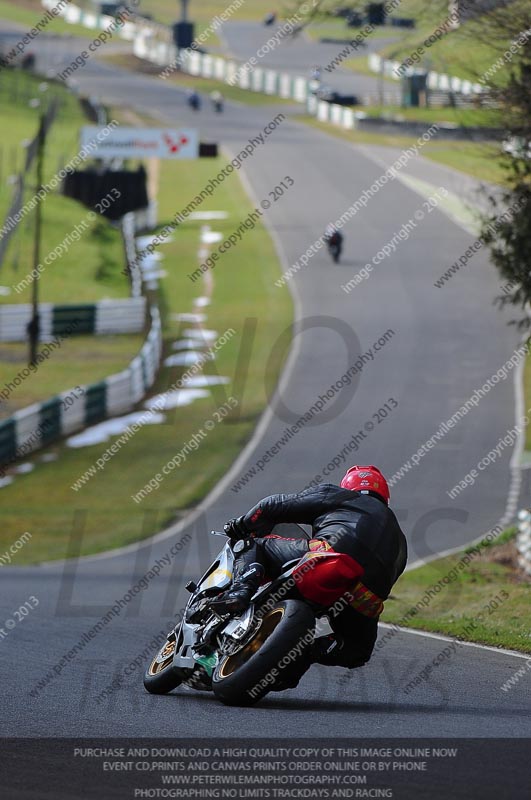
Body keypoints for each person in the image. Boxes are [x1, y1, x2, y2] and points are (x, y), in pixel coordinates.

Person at [211, 466, 407, 678]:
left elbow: (273, 505)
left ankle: (240, 592)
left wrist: (242, 524)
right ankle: (301, 655)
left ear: (349, 487)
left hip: (328, 556)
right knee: (356, 651)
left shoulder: (341, 496)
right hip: (364, 596)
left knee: (252, 545)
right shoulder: (400, 540)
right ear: (385, 497)